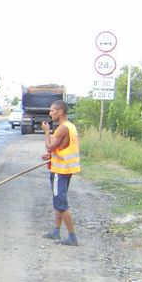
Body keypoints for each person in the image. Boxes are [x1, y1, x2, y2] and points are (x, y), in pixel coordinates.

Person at [41, 100, 81, 245]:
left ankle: (72, 237)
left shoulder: (62, 128)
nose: (50, 113)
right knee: (58, 201)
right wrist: (51, 156)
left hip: (60, 170)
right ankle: (56, 232)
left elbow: (50, 146)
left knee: (61, 203)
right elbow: (62, 147)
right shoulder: (71, 127)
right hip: (66, 169)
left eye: (52, 110)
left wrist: (46, 132)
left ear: (60, 112)